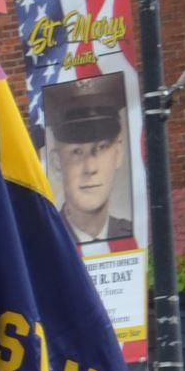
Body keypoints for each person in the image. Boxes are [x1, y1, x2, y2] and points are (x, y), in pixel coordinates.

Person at [42, 75, 135, 246]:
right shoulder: (47, 243)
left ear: (118, 153)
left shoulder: (132, 234)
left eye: (101, 147)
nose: (90, 167)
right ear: (56, 163)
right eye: (77, 152)